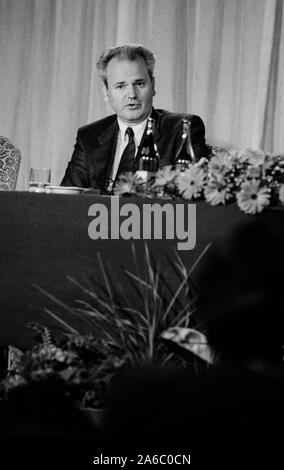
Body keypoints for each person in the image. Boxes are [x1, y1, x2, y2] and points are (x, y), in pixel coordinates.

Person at [61, 43, 209, 192]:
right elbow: (66, 199)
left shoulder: (182, 128)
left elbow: (192, 194)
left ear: (153, 85)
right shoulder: (89, 137)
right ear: (106, 92)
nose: (132, 94)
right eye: (120, 86)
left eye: (139, 83)